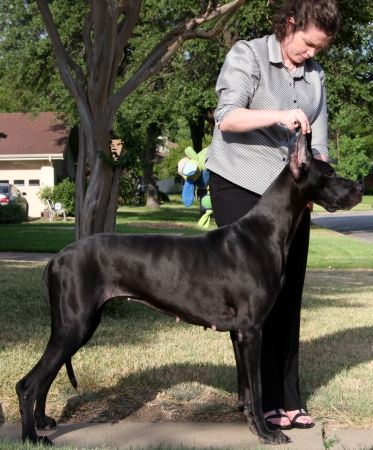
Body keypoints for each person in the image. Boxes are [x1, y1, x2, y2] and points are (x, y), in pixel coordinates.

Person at [205, 0, 340, 430]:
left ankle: (289, 397)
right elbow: (227, 117)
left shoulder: (316, 78)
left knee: (288, 294)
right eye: (308, 44)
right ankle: (257, 402)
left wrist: (318, 168)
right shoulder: (247, 55)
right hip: (240, 185)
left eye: (320, 48)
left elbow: (317, 147)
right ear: (289, 24)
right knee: (251, 302)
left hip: (289, 199)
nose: (312, 55)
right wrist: (281, 115)